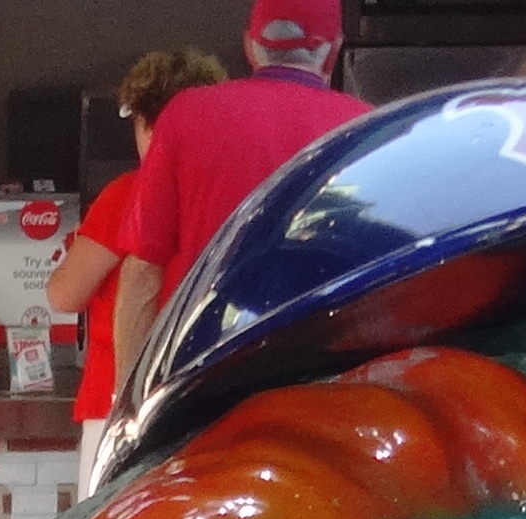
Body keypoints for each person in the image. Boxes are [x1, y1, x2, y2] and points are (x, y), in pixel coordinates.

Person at [102, 0, 365, 414]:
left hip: (202, 387)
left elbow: (141, 276)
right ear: (333, 49)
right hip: (321, 388)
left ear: (249, 45)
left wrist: (127, 409)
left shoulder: (187, 113)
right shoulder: (362, 128)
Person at [44, 45, 221, 486]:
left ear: (144, 121)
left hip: (119, 402)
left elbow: (64, 294)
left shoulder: (127, 194)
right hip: (203, 398)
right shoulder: (218, 191)